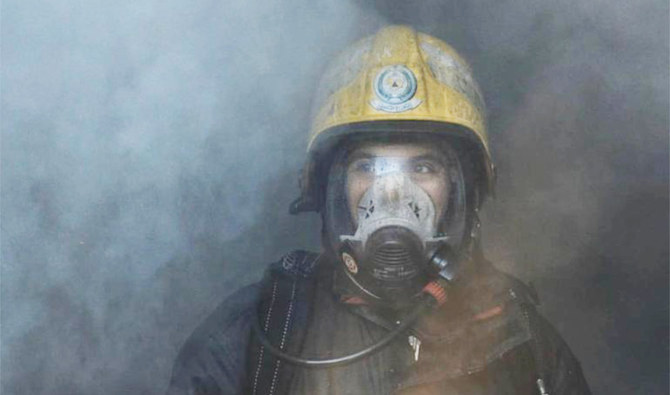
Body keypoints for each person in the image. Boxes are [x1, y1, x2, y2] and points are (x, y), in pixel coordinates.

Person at [166, 25, 591, 394]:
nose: (392, 194)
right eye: (367, 166)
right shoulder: (262, 328)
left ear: (465, 190)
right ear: (329, 187)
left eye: (422, 167)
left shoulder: (520, 340)